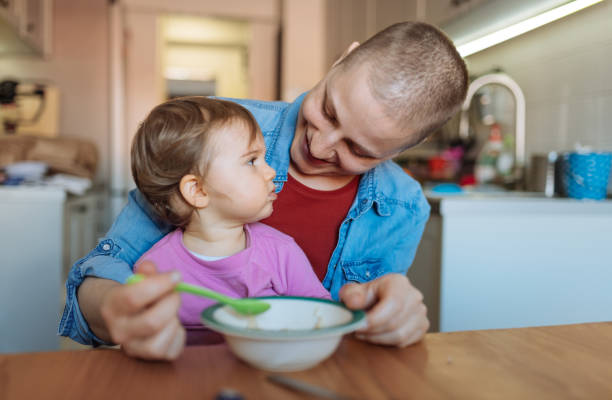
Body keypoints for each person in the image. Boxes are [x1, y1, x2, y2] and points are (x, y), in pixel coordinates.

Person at [59, 21, 468, 360]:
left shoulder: (402, 207)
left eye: (358, 150)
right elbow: (97, 282)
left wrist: (389, 316)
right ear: (341, 59)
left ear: (404, 148)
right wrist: (116, 310)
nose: (320, 146)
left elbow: (349, 337)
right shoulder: (214, 133)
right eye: (327, 110)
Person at [130, 97, 331, 347]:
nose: (270, 172)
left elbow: (324, 318)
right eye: (251, 161)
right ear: (198, 190)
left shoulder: (282, 251)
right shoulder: (153, 270)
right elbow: (137, 343)